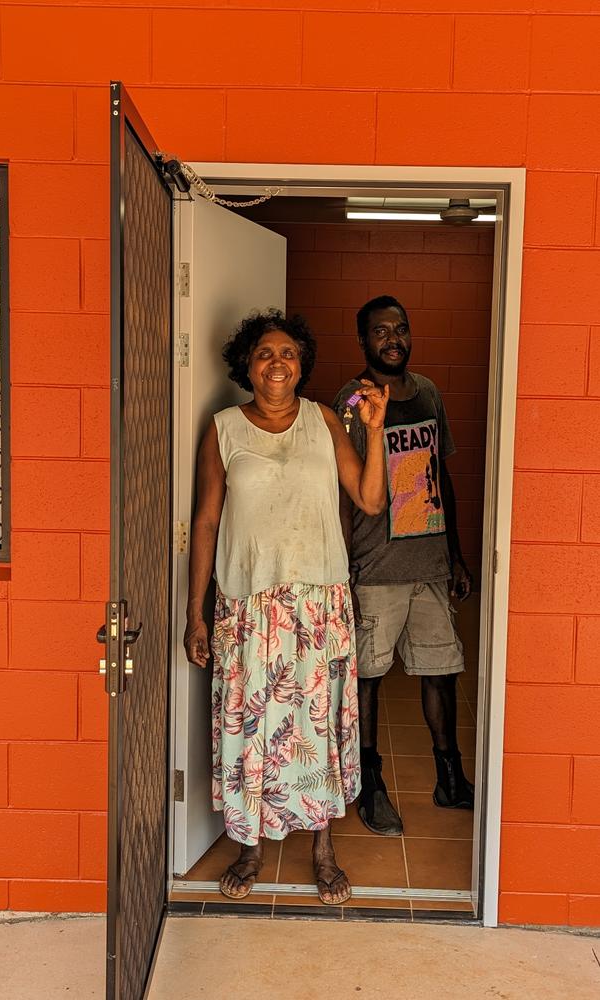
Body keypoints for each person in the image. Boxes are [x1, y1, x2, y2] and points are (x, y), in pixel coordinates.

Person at [184, 309, 389, 904]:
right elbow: (206, 520)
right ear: (247, 366)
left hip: (317, 605)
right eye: (265, 354)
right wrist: (197, 613)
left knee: (314, 727)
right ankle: (250, 847)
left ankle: (323, 850)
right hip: (247, 607)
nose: (278, 363)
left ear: (302, 367)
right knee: (254, 728)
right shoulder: (223, 428)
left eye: (289, 354)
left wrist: (374, 429)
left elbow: (371, 501)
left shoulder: (324, 421)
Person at [333, 295, 474, 837]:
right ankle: (370, 785)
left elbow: (442, 477)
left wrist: (455, 554)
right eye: (380, 331)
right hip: (376, 564)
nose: (393, 339)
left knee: (440, 671)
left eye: (401, 329)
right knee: (367, 677)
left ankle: (450, 778)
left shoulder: (429, 393)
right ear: (363, 340)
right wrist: (345, 566)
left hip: (430, 564)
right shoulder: (352, 401)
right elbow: (344, 491)